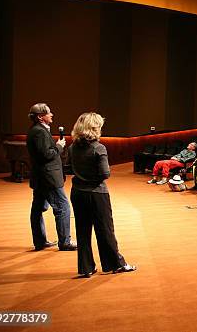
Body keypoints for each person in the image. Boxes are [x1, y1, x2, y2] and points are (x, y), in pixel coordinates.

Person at [68, 112, 135, 277]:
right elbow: (105, 173)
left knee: (82, 231)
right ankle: (116, 264)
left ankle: (86, 267)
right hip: (97, 193)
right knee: (105, 230)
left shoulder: (72, 147)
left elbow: (69, 168)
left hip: (77, 193)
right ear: (94, 127)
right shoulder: (99, 147)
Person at [26, 103, 76, 252]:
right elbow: (46, 155)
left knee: (38, 208)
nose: (52, 114)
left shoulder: (37, 130)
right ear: (41, 117)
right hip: (48, 178)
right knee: (63, 207)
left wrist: (54, 146)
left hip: (41, 177)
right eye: (49, 113)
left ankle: (40, 241)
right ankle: (65, 242)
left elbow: (44, 152)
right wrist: (59, 146)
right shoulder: (39, 132)